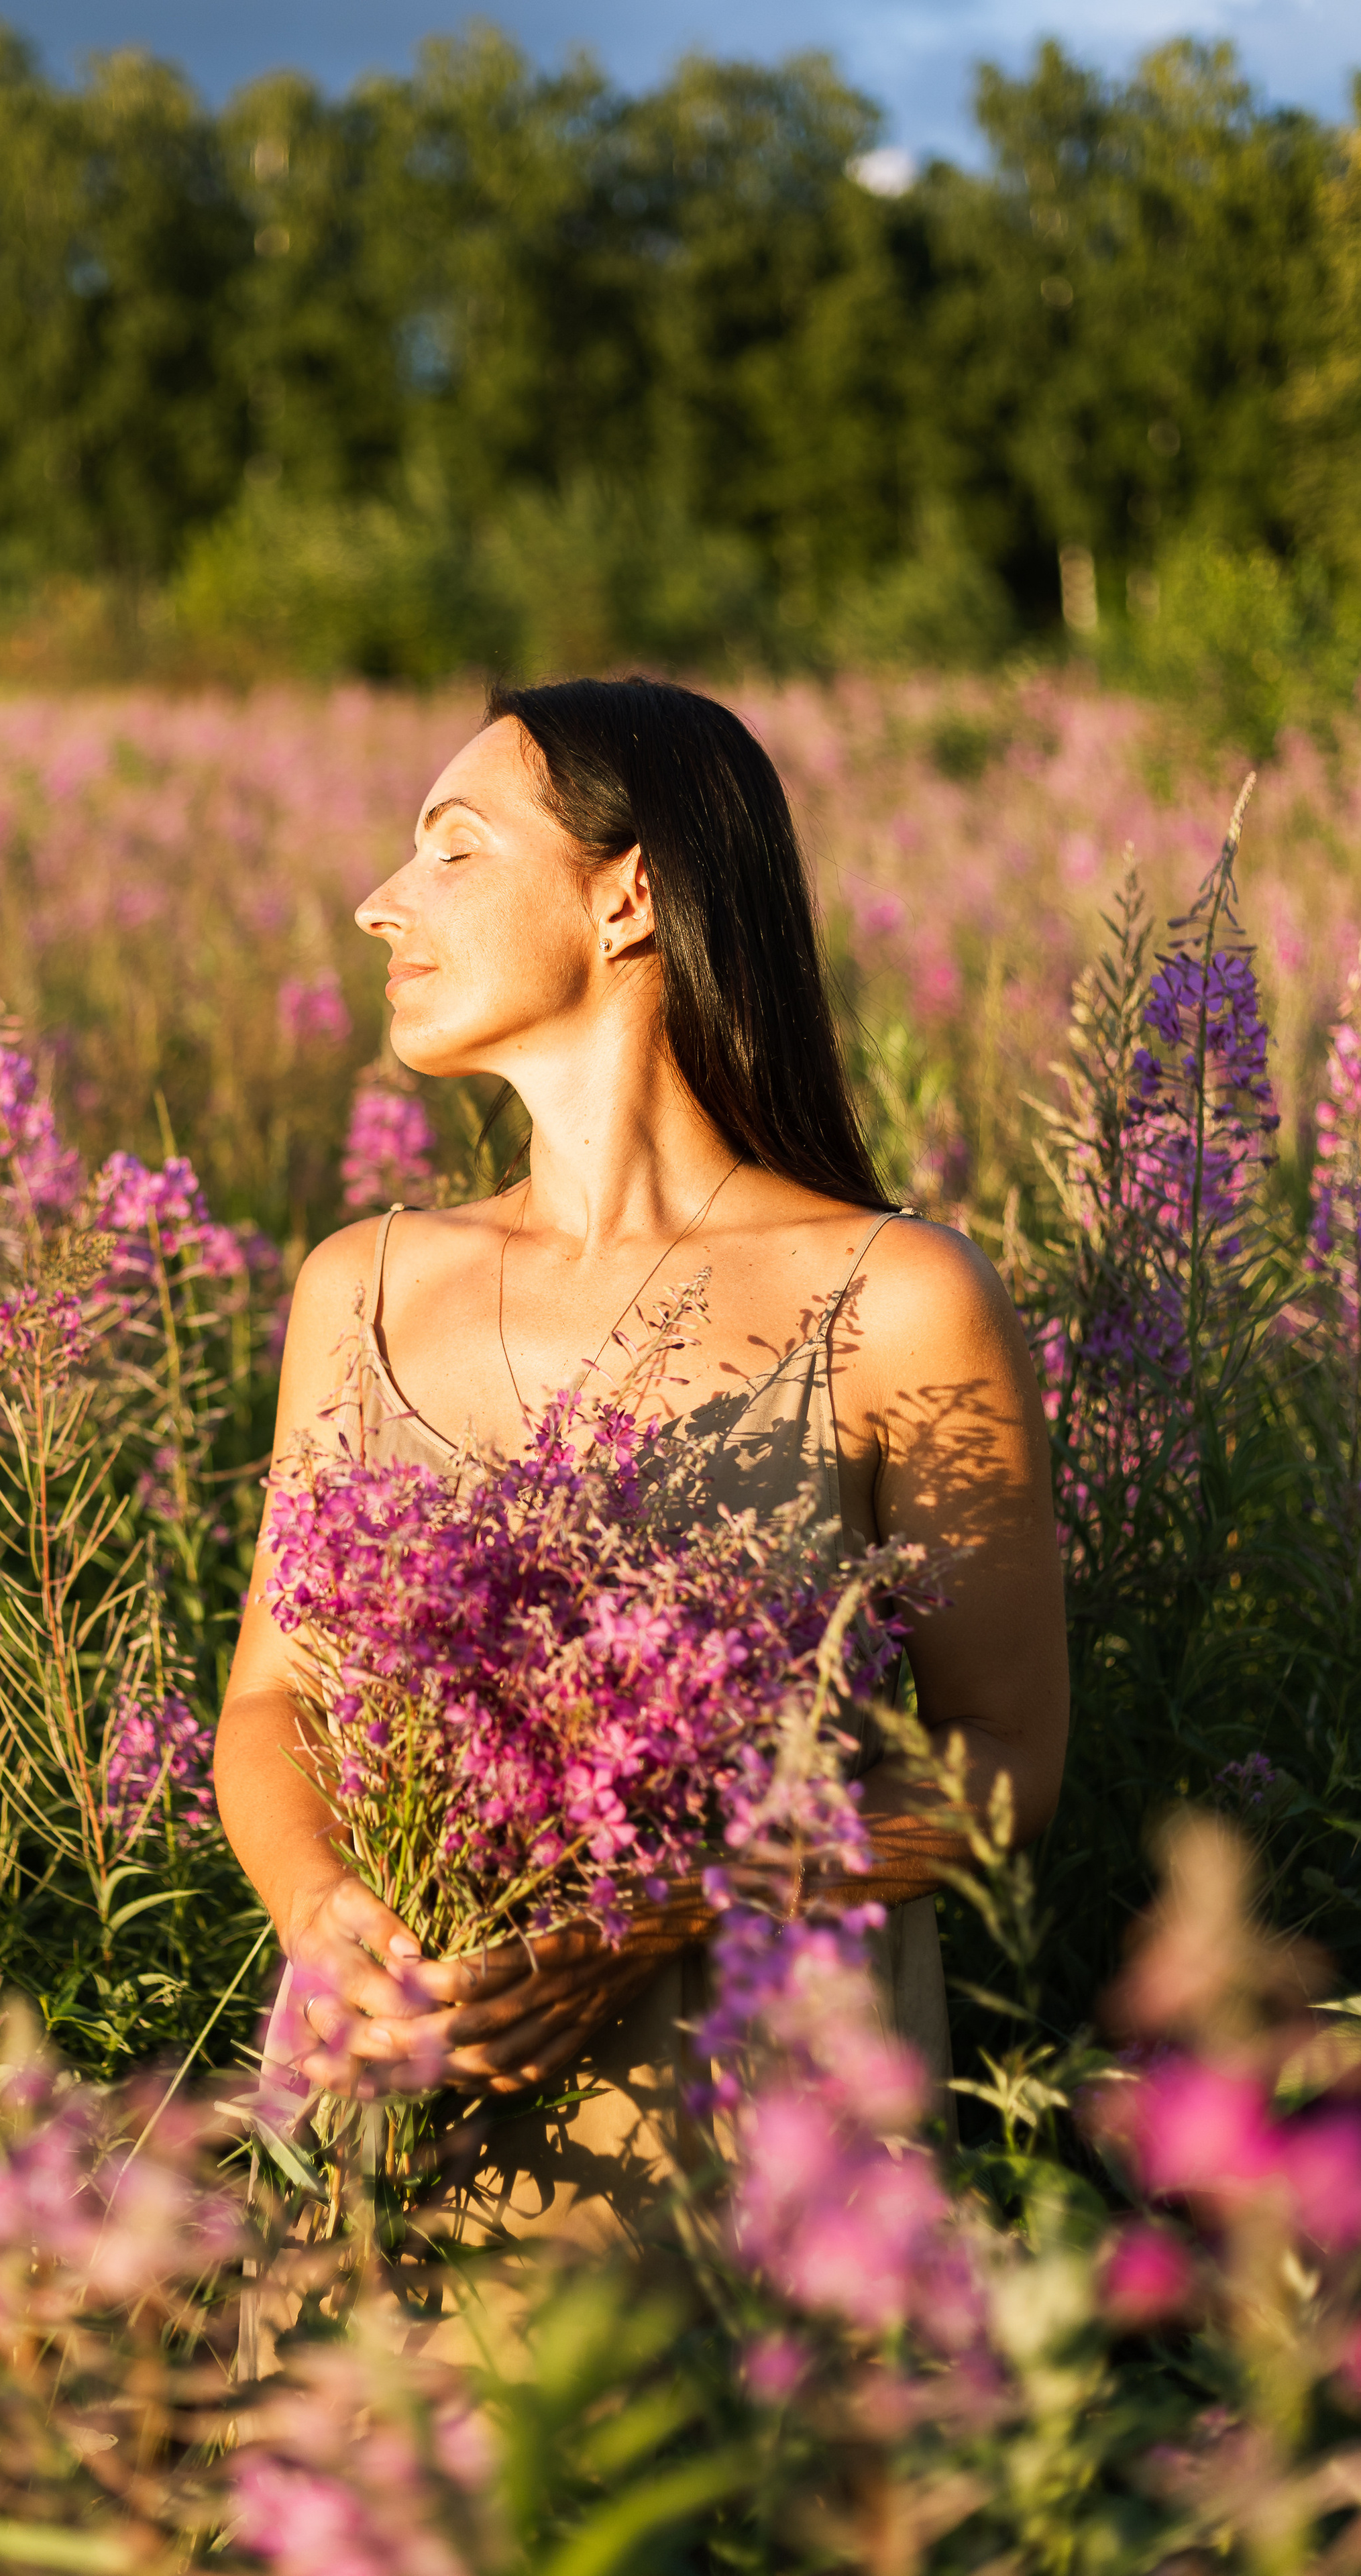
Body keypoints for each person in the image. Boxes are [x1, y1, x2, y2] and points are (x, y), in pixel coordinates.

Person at [216, 676, 1068, 2277]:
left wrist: (662, 1910)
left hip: (755, 2144)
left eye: (451, 851)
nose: (377, 901)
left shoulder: (894, 1298)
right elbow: (272, 1703)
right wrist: (321, 1907)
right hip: (394, 2119)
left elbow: (1004, 1765)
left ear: (627, 896)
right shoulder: (360, 1283)